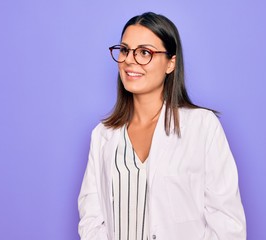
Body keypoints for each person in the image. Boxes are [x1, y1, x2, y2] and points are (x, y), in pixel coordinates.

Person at [78, 12, 246, 240]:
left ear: (171, 63)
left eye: (145, 52)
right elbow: (91, 218)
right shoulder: (103, 135)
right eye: (125, 50)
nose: (129, 60)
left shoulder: (202, 126)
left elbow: (227, 222)